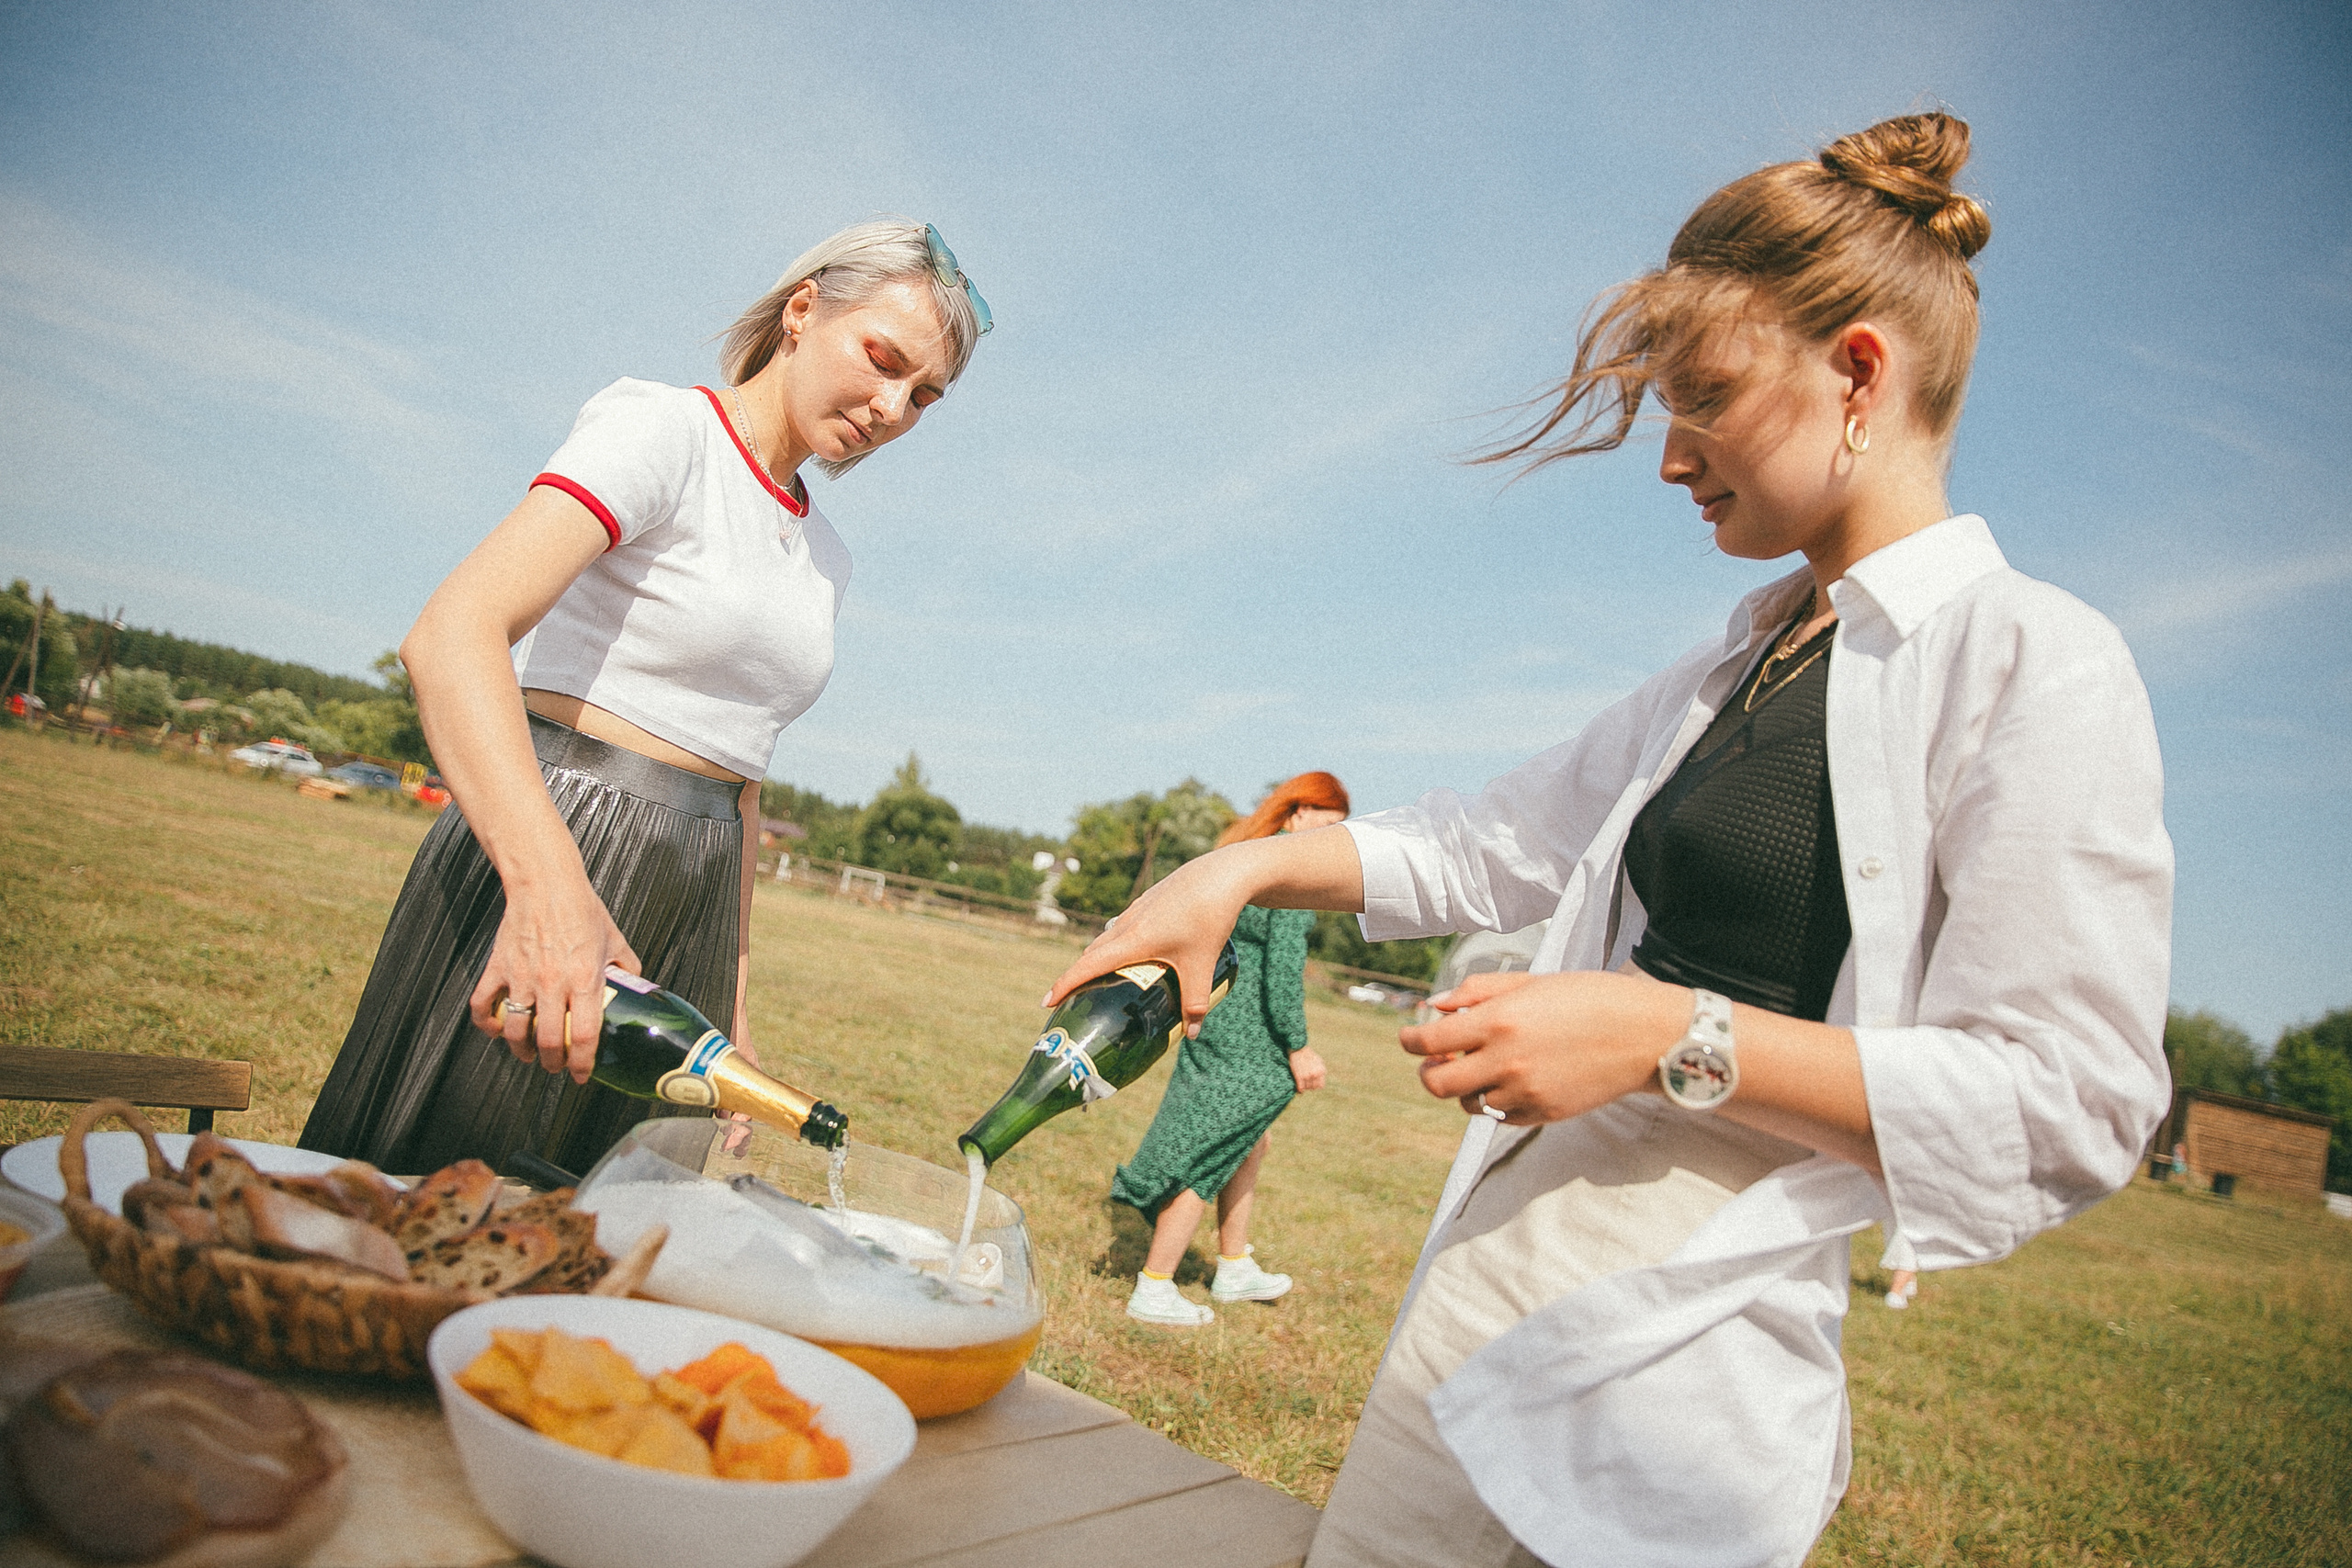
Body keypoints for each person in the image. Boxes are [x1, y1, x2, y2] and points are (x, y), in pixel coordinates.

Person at [1047, 112, 2171, 1566]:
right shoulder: (1735, 666)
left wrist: (1667, 1037)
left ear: (1860, 372)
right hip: (1486, 1295)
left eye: (1701, 394)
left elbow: (2074, 1098)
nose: (1668, 457)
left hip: (1685, 1376)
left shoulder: (2036, 661)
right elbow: (1484, 848)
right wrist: (1245, 865)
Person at [300, 220, 990, 1178]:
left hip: (695, 895)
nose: (890, 407)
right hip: (558, 849)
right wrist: (547, 890)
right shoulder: (665, 432)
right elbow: (452, 636)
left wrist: (734, 997)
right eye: (881, 360)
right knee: (433, 1213)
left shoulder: (828, 557)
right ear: (801, 312)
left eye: (923, 397)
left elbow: (743, 783)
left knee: (601, 1240)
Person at [1115, 773, 1349, 1326]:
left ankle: (1234, 1264)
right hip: (1251, 1037)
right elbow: (1283, 973)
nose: (1332, 838)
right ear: (1297, 814)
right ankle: (1154, 1286)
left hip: (1215, 1020)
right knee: (1211, 1150)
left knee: (1249, 1141)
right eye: (1326, 823)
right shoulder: (1289, 871)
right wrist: (1299, 1047)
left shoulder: (1242, 856)